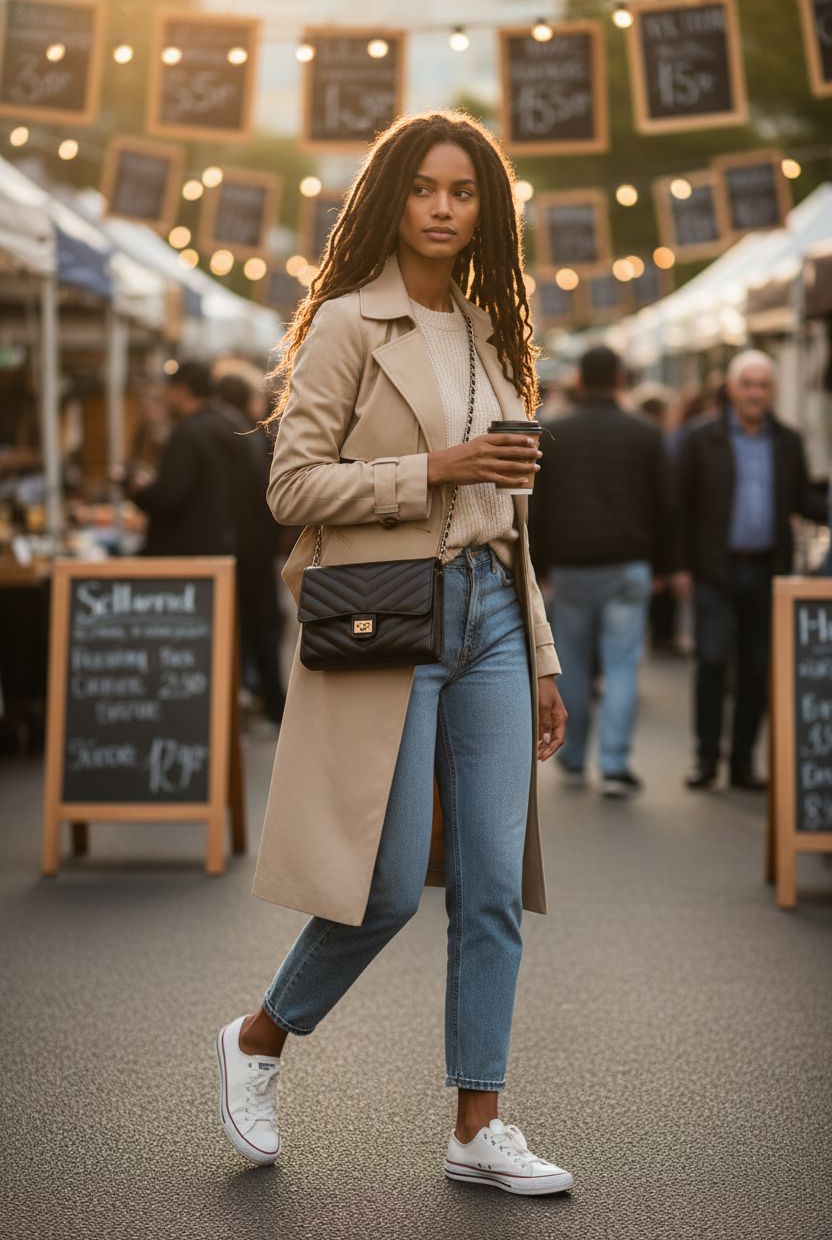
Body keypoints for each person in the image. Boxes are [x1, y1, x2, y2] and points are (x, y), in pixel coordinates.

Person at [215, 110, 574, 1196]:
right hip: (387, 620)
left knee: (491, 884)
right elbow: (291, 487)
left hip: (494, 619)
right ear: (391, 195)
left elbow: (511, 519)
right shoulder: (345, 323)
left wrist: (545, 653)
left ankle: (479, 1125)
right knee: (379, 891)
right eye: (425, 187)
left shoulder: (490, 329)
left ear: (485, 209)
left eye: (464, 192)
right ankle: (257, 1039)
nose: (443, 208)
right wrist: (432, 467)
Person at [528, 345, 680, 798]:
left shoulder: (554, 434)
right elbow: (666, 505)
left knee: (571, 662)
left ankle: (573, 756)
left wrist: (540, 568)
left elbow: (539, 508)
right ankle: (614, 764)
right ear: (618, 379)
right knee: (622, 664)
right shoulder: (645, 433)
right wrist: (665, 567)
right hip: (629, 563)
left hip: (572, 566)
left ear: (578, 380)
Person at [676, 349, 827, 790]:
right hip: (714, 571)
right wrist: (680, 567)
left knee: (758, 668)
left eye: (764, 385)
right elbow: (679, 508)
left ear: (772, 392)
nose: (756, 393)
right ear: (732, 389)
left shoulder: (788, 441)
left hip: (768, 573)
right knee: (712, 661)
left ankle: (743, 762)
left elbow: (803, 501)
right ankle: (706, 759)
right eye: (749, 384)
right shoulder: (701, 439)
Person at [214, 373, 286, 727]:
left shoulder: (234, 433)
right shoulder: (249, 434)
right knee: (264, 623)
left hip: (243, 542)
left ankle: (263, 695)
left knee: (255, 622)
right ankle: (270, 697)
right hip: (258, 542)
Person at [129, 361, 236, 557]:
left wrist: (140, 491)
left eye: (169, 390)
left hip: (187, 552)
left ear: (183, 391)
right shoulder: (226, 423)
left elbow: (169, 495)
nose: (166, 397)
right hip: (220, 545)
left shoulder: (189, 433)